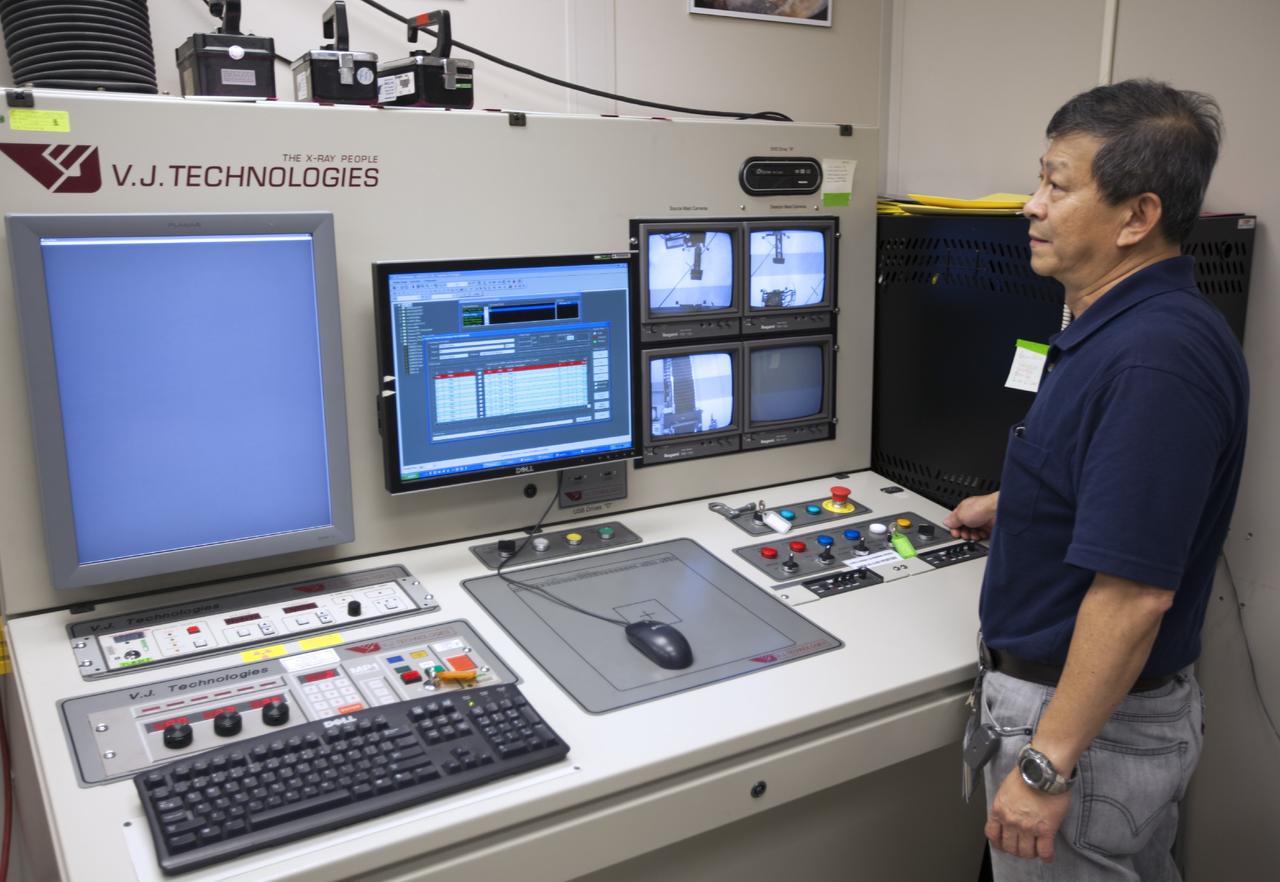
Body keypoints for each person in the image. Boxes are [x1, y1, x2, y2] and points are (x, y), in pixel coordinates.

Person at [943, 79, 1248, 881]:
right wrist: (1015, 504)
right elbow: (1114, 485)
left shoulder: (1154, 362)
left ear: (1138, 217)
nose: (1031, 205)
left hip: (1084, 738)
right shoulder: (1120, 329)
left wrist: (1045, 767)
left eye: (1057, 185)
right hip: (1085, 725)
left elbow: (1134, 594)